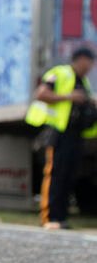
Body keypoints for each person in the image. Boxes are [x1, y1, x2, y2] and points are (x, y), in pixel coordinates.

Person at [26, 44, 97, 230]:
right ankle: (48, 217)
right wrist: (68, 97)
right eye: (89, 62)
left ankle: (61, 218)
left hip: (76, 135)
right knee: (55, 174)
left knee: (69, 176)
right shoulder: (61, 73)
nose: (90, 67)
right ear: (80, 59)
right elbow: (41, 94)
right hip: (59, 133)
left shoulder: (84, 82)